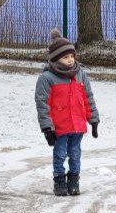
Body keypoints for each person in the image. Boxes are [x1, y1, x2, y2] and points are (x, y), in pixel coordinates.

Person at [34, 30, 100, 196]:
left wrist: (93, 119)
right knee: (60, 154)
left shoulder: (80, 75)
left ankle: (74, 180)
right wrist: (47, 128)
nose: (70, 60)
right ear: (56, 59)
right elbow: (43, 104)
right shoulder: (47, 78)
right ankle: (59, 181)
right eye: (65, 57)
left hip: (77, 125)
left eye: (72, 56)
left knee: (75, 153)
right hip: (59, 127)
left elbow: (88, 98)